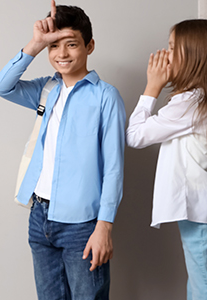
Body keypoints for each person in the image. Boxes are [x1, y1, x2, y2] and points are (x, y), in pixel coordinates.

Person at [0, 1, 126, 299]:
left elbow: (114, 167)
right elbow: (1, 86)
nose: (61, 54)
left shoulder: (106, 97)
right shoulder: (46, 89)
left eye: (71, 44)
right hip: (40, 216)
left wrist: (104, 226)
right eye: (54, 46)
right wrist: (36, 43)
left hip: (82, 224)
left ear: (89, 46)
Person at [126, 19, 207, 300]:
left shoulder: (190, 104)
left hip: (201, 217)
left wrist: (152, 87)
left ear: (192, 55)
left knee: (201, 287)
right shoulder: (197, 100)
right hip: (200, 215)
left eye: (173, 47)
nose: (166, 54)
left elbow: (135, 135)